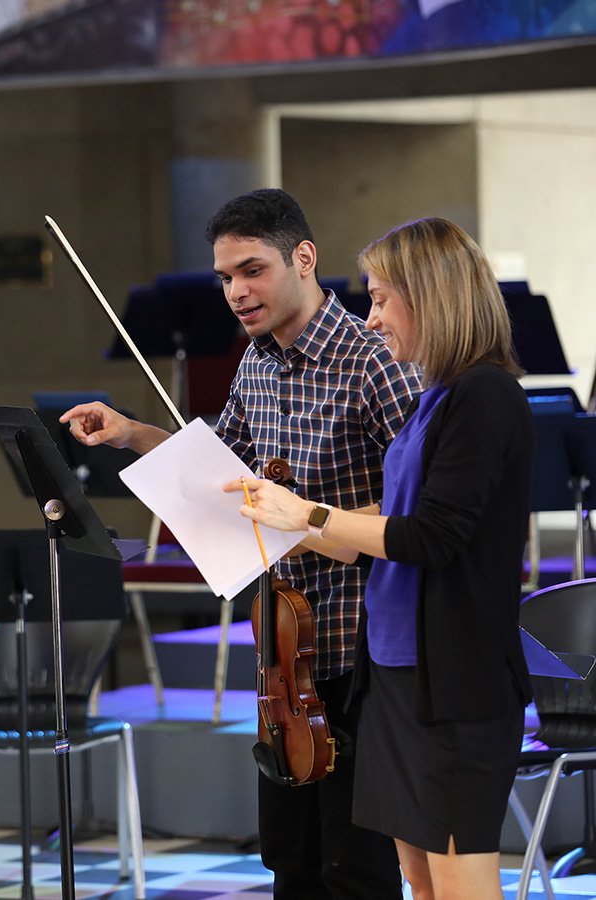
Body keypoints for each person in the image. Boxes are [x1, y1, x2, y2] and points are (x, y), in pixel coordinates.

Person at [59, 188, 422, 900]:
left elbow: (420, 509)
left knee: (355, 867)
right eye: (225, 276)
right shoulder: (256, 364)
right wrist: (132, 431)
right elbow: (218, 466)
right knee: (289, 859)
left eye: (252, 270)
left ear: (304, 258)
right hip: (285, 654)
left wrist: (314, 521)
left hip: (365, 650)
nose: (236, 292)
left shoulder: (373, 359)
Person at [223, 216, 535, 900]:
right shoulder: (435, 398)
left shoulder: (487, 396)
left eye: (383, 299)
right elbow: (364, 536)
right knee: (419, 880)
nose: (371, 319)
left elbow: (431, 536)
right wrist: (280, 518)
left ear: (433, 298)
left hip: (454, 680)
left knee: (458, 881)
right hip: (392, 674)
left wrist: (305, 513)